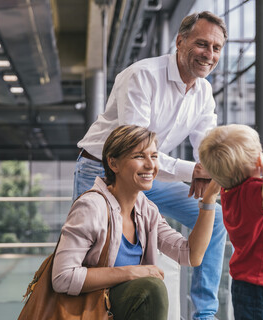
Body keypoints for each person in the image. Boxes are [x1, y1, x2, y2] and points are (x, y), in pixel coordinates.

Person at [74, 11, 228, 319]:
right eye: (201, 44)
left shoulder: (204, 92)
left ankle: (205, 313)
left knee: (215, 218)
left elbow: (206, 147)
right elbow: (135, 147)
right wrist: (194, 170)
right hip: (105, 171)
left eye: (216, 48)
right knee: (97, 255)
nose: (209, 54)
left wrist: (208, 168)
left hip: (149, 174)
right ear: (180, 41)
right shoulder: (143, 75)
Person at [52, 125, 220, 320]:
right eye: (139, 156)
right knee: (151, 287)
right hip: (90, 309)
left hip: (123, 309)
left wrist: (208, 200)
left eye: (154, 156)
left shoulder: (146, 210)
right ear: (113, 164)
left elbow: (191, 255)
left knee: (150, 286)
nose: (151, 165)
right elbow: (62, 278)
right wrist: (133, 272)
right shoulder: (91, 207)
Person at [198, 124, 263, 320]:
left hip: (258, 286)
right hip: (262, 289)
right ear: (256, 164)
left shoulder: (230, 191)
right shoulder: (251, 190)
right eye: (259, 152)